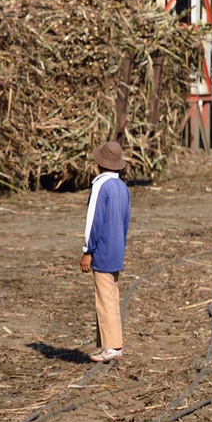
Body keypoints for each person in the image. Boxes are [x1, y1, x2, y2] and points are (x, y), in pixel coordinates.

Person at [82, 140, 131, 362]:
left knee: (104, 298)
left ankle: (112, 347)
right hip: (117, 247)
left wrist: (87, 250)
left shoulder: (100, 185)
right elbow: (125, 221)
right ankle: (108, 344)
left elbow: (94, 221)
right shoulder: (122, 187)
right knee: (111, 295)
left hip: (102, 249)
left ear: (99, 163)